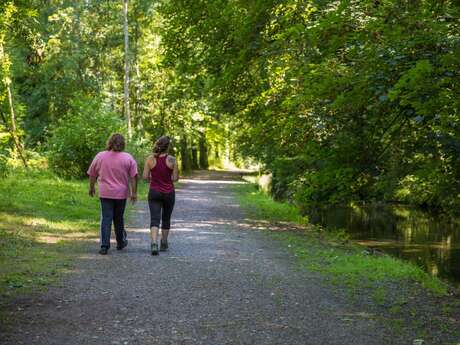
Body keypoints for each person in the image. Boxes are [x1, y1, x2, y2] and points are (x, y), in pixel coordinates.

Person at [87, 133, 138, 255]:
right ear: (123, 144)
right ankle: (120, 242)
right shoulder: (128, 158)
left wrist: (91, 187)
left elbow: (92, 173)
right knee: (118, 218)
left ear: (109, 142)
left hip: (105, 193)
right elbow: (133, 177)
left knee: (106, 218)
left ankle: (104, 246)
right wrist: (134, 192)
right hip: (121, 194)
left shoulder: (100, 156)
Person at [143, 136, 179, 255]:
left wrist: (154, 179)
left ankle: (154, 243)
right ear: (168, 147)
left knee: (154, 218)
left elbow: (144, 177)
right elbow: (175, 178)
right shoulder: (172, 160)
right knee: (166, 218)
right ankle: (163, 242)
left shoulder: (150, 159)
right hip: (168, 193)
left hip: (154, 192)